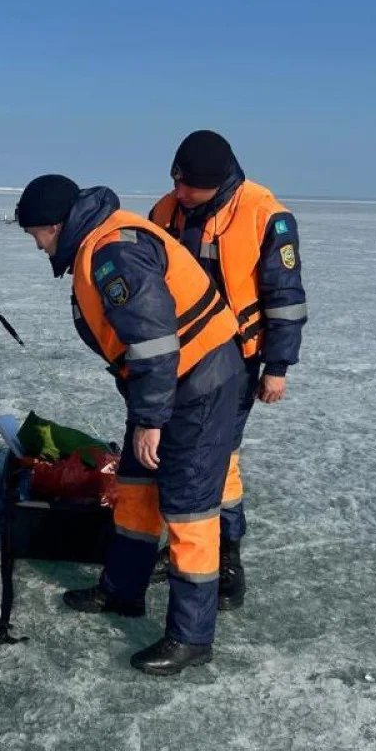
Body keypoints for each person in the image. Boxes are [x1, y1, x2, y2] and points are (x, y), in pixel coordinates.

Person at [15, 174, 244, 674]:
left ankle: (191, 637)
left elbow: (157, 341)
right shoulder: (99, 240)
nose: (34, 243)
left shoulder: (112, 253)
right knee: (137, 489)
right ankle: (122, 590)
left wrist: (149, 420)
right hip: (168, 383)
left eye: (35, 232)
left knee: (188, 510)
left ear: (55, 225)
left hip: (197, 384)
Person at [148, 131, 308, 610]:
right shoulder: (164, 212)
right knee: (175, 453)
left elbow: (285, 300)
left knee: (220, 459)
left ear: (217, 185)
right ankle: (183, 544)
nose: (179, 193)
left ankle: (227, 554)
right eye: (174, 181)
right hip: (175, 358)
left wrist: (276, 367)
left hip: (234, 362)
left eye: (189, 187)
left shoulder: (265, 214)